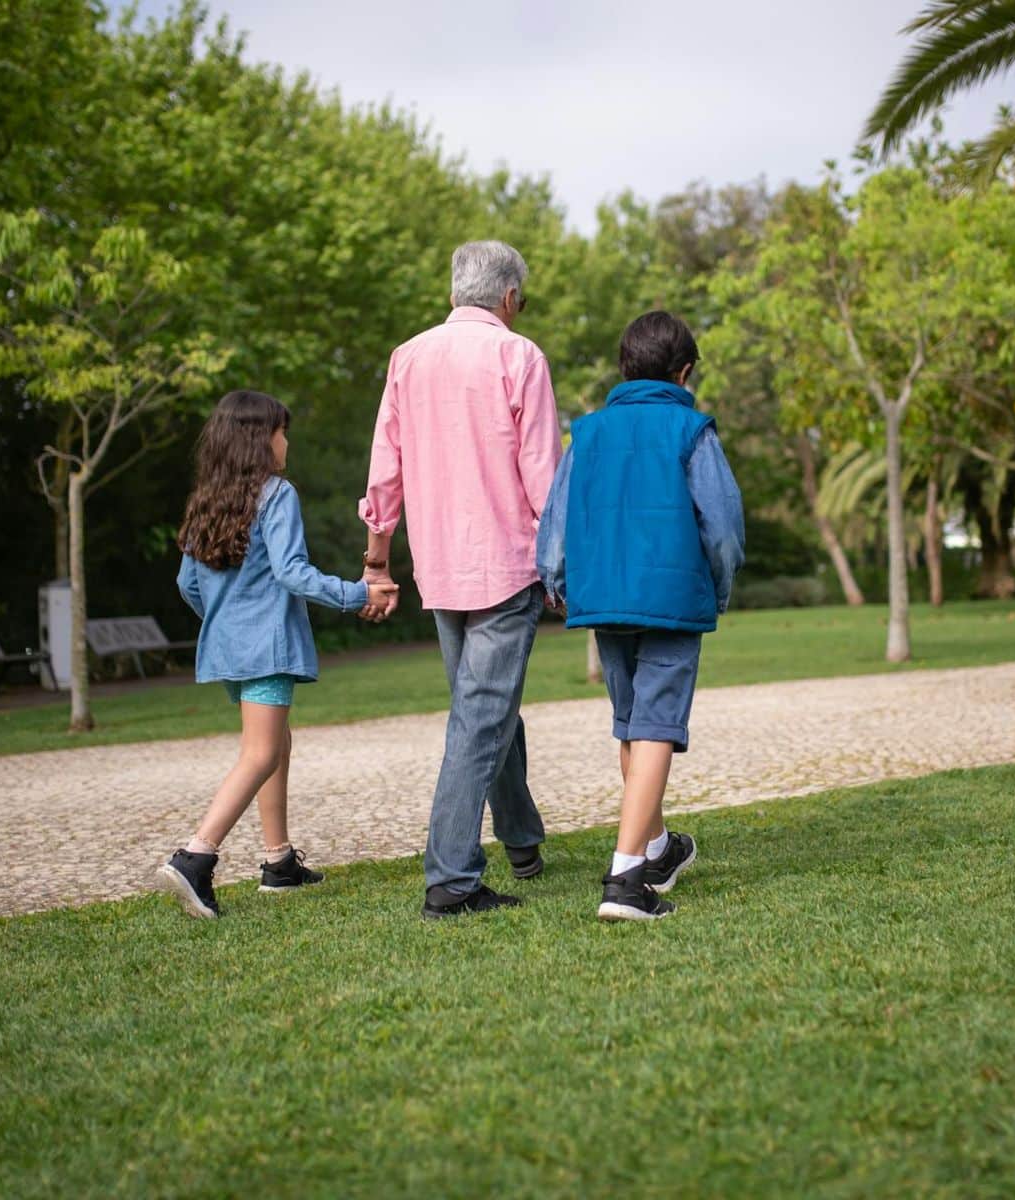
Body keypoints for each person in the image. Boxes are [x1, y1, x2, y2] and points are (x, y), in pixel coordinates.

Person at [359, 241, 562, 919]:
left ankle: (522, 839)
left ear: (453, 295)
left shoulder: (407, 357)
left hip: (439, 566)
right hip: (506, 564)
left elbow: (385, 464)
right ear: (509, 298)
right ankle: (451, 878)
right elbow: (541, 470)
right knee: (480, 716)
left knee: (485, 708)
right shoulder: (519, 355)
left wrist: (377, 557)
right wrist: (563, 559)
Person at [536, 311, 745, 922]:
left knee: (631, 722)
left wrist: (559, 583)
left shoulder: (589, 434)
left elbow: (556, 522)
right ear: (684, 373)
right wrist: (720, 589)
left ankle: (655, 848)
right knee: (655, 724)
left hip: (604, 595)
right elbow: (723, 531)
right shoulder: (692, 431)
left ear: (625, 368)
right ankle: (625, 880)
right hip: (672, 597)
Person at [157, 390, 393, 919]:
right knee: (260, 753)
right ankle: (195, 857)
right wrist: (358, 595)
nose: (287, 441)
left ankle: (279, 862)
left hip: (226, 648)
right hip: (265, 647)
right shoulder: (276, 494)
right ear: (260, 439)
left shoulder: (206, 500)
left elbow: (187, 584)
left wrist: (226, 622)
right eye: (282, 431)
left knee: (276, 742)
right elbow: (291, 572)